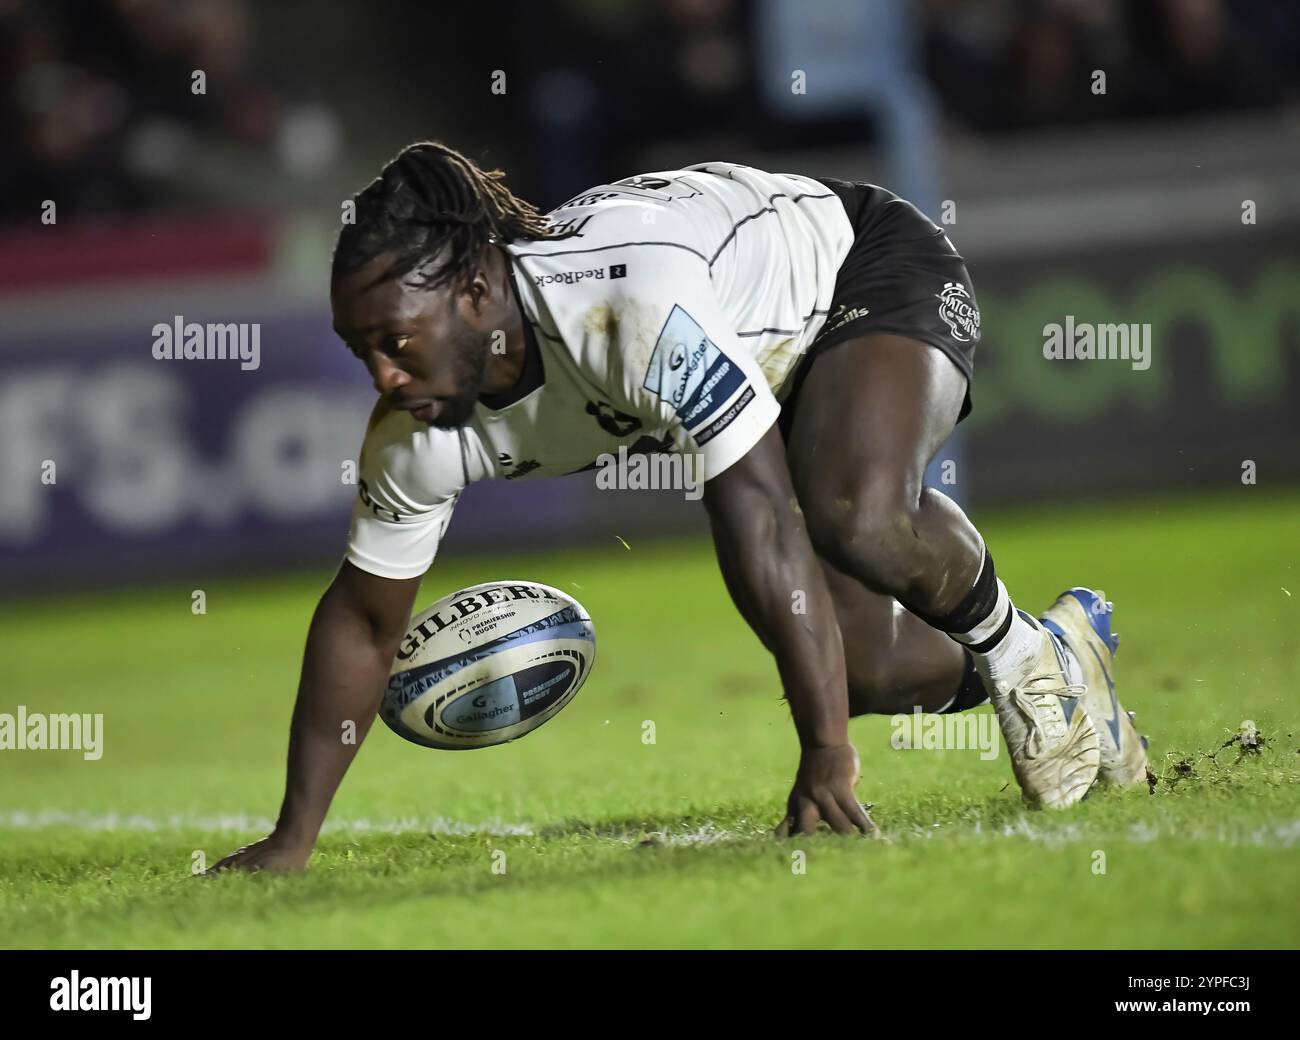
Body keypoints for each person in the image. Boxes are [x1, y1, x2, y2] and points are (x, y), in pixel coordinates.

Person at [212, 142, 1147, 872]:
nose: (378, 373)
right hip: (751, 364)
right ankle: (1058, 652)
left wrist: (823, 753)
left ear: (474, 291)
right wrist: (292, 841)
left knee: (851, 512)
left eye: (394, 340)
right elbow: (365, 623)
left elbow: (762, 514)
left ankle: (1019, 652)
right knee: (857, 671)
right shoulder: (413, 434)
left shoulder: (626, 310)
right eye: (358, 347)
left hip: (852, 270)